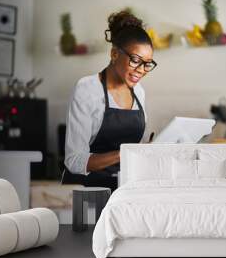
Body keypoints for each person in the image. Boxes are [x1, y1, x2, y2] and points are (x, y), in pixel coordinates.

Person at [61, 11, 157, 190]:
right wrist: (125, 153)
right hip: (86, 192)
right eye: (135, 60)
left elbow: (139, 147)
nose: (141, 70)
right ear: (114, 54)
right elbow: (74, 161)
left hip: (122, 189)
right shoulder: (87, 88)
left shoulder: (139, 92)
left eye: (147, 64)